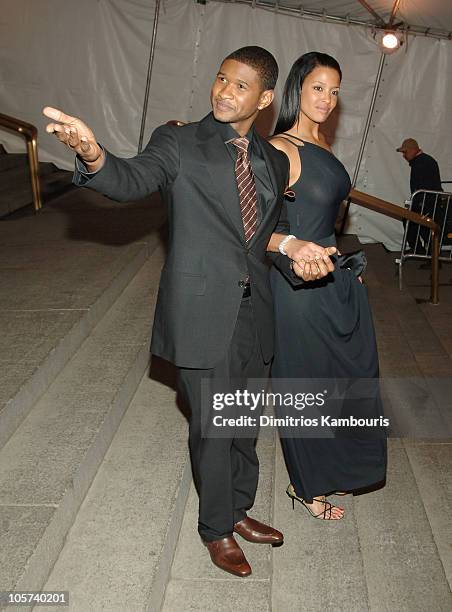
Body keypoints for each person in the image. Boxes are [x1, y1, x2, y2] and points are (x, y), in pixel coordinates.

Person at [43, 47, 337, 576]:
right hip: (203, 313)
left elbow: (258, 236)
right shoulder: (179, 140)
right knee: (214, 428)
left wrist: (297, 253)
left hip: (256, 312)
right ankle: (216, 528)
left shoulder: (271, 159)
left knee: (244, 424)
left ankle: (240, 509)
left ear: (265, 98)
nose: (225, 91)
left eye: (240, 85)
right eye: (221, 79)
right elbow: (132, 179)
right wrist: (92, 155)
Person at [267, 52, 387, 520]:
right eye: (318, 87)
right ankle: (306, 484)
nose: (327, 99)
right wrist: (294, 246)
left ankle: (335, 468)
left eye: (334, 91)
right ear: (298, 88)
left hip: (334, 281)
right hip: (297, 287)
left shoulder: (322, 145)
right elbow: (249, 228)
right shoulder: (281, 149)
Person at [396, 138, 442, 252]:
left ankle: (429, 255)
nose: (404, 155)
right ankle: (421, 251)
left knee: (424, 227)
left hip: (427, 201)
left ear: (413, 150)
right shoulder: (424, 160)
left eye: (405, 152)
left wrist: (419, 203)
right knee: (415, 224)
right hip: (428, 200)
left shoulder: (421, 162)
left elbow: (424, 185)